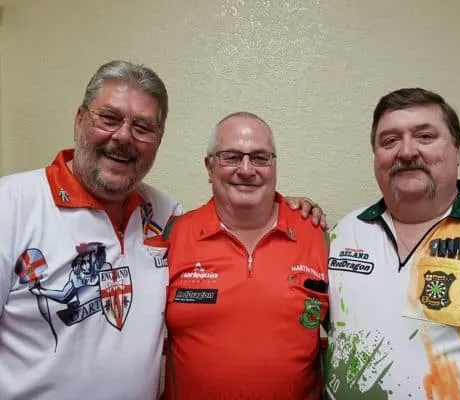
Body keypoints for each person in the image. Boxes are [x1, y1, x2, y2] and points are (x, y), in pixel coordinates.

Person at [0, 61, 323, 400]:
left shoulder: (166, 216)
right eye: (109, 118)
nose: (123, 136)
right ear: (80, 119)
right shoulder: (11, 205)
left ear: (158, 139)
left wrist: (289, 208)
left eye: (142, 127)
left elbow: (240, 212)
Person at [324, 88, 460, 399]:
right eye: (390, 141)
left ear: (457, 151)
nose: (407, 152)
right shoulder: (343, 232)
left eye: (425, 136)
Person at [164, 112, 329, 399]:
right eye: (231, 157)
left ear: (274, 166)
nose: (246, 169)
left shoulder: (316, 235)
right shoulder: (173, 235)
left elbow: (347, 333)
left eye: (260, 158)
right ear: (209, 166)